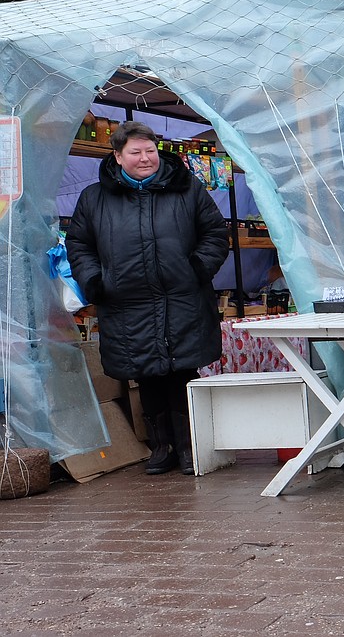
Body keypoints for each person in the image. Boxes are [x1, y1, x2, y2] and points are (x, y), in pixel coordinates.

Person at [67, 121, 229, 476]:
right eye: (136, 152)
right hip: (127, 303)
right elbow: (78, 244)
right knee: (147, 374)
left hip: (182, 299)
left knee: (183, 371)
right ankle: (161, 447)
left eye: (150, 151)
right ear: (118, 156)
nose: (145, 158)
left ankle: (191, 447)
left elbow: (216, 232)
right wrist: (95, 279)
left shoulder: (187, 190)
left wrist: (197, 268)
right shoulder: (94, 198)